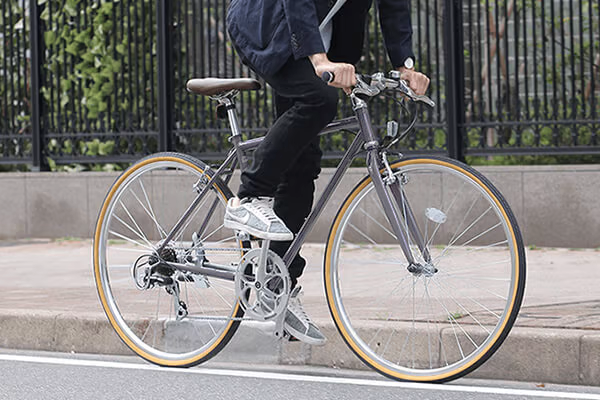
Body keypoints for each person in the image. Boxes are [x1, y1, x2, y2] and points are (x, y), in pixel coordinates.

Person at [224, 0, 430, 345]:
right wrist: (317, 58)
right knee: (318, 100)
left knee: (302, 165)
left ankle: (275, 288)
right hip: (270, 26)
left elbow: (394, 7)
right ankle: (247, 197)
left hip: (321, 42)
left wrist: (404, 66)